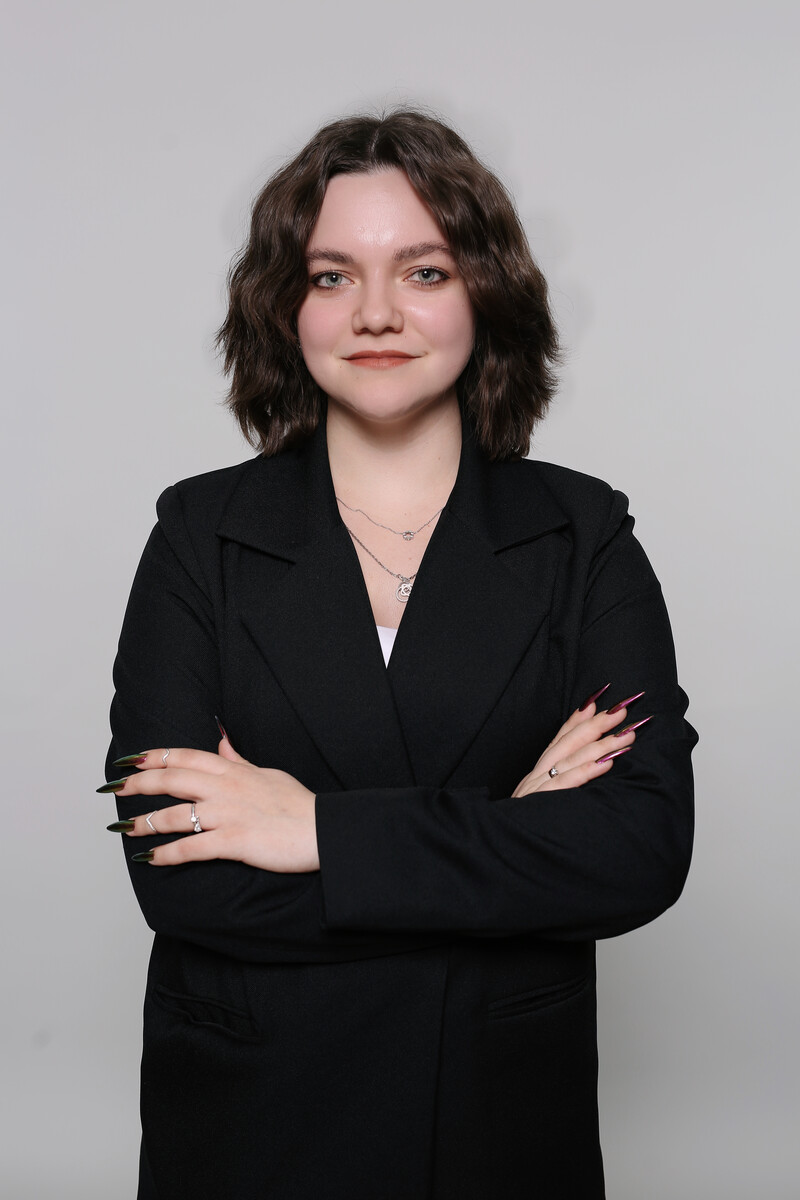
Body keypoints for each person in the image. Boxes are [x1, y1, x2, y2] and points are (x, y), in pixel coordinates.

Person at [102, 109, 696, 1200]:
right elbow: (181, 881)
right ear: (286, 307)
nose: (375, 312)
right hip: (254, 1126)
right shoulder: (198, 535)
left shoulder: (582, 535)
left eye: (424, 270)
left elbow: (637, 851)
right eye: (331, 276)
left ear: (485, 294)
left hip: (494, 1123)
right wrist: (511, 832)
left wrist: (314, 831)